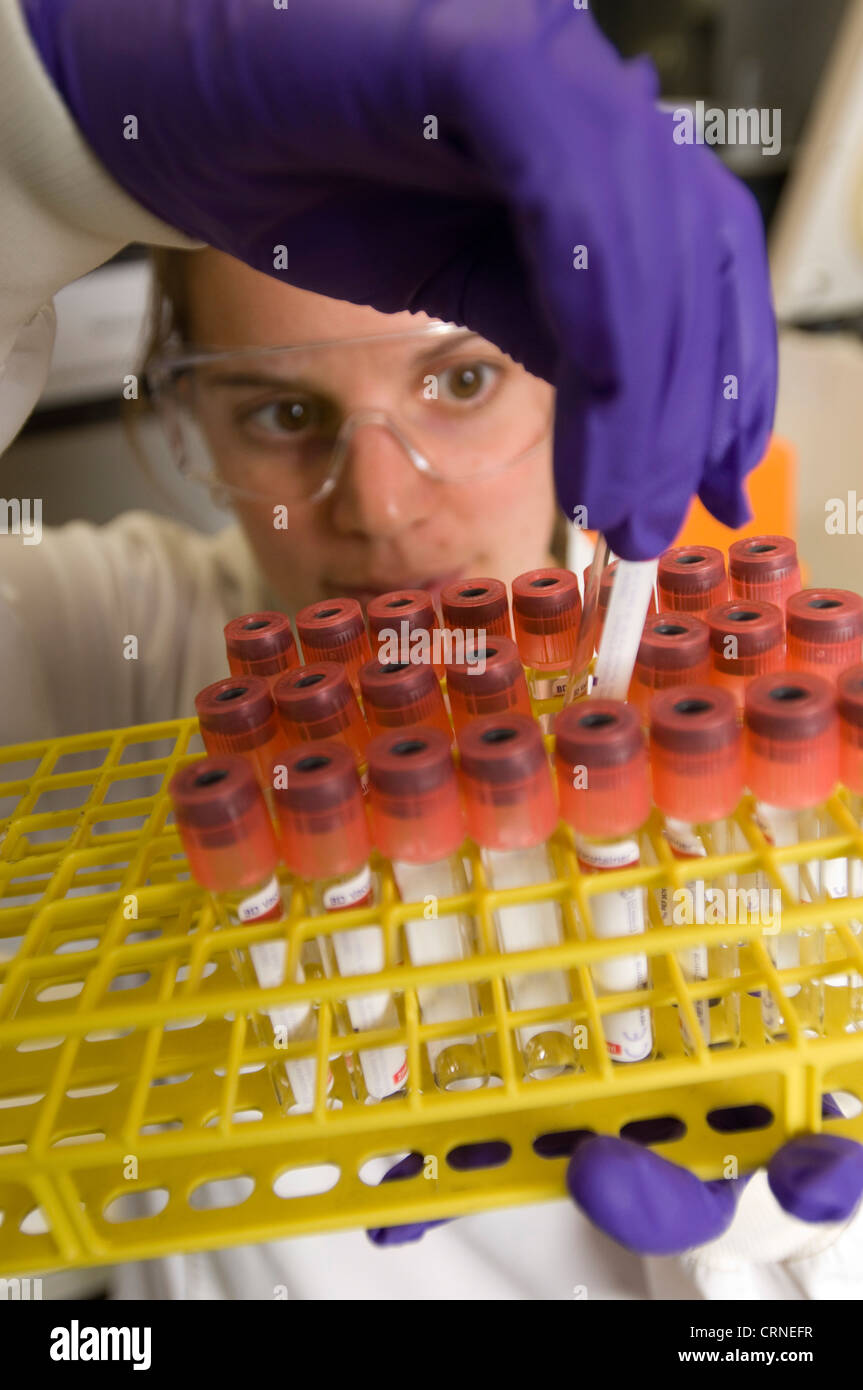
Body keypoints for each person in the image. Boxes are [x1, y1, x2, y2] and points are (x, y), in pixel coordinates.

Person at [1, 0, 862, 1300]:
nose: (383, 509)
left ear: (579, 366)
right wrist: (27, 163)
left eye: (460, 383)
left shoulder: (756, 741)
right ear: (182, 409)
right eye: (283, 410)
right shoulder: (99, 652)